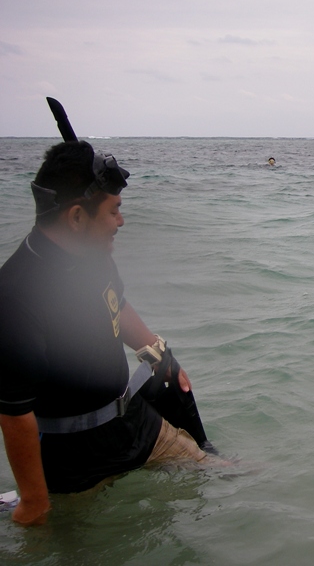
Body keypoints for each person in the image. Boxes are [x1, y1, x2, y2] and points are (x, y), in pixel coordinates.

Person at [0, 141, 215, 526]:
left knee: (220, 476)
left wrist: (156, 353)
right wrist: (34, 501)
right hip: (72, 457)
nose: (121, 222)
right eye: (113, 211)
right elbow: (15, 414)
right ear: (77, 218)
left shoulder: (92, 255)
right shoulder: (17, 295)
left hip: (133, 423)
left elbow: (115, 302)